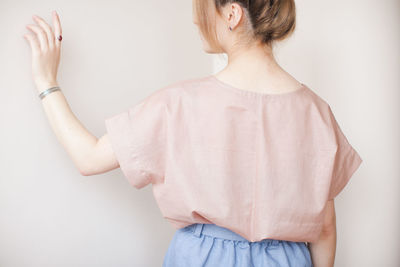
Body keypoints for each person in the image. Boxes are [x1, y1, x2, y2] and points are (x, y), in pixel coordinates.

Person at [23, 1, 363, 266]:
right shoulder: (317, 112)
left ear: (231, 14)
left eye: (202, 6)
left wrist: (46, 82)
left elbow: (89, 157)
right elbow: (325, 228)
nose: (195, 18)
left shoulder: (178, 104)